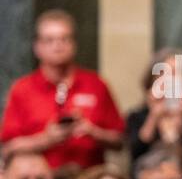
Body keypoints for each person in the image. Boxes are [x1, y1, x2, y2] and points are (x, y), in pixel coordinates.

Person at [0, 10, 124, 169]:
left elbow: (119, 141)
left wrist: (92, 131)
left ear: (74, 44)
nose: (57, 46)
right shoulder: (22, 89)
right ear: (37, 47)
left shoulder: (96, 85)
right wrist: (46, 139)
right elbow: (8, 148)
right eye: (49, 40)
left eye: (64, 39)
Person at [125, 48, 182, 165]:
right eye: (164, 73)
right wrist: (154, 116)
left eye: (176, 74)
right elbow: (135, 153)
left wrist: (181, 118)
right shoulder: (137, 117)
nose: (170, 80)